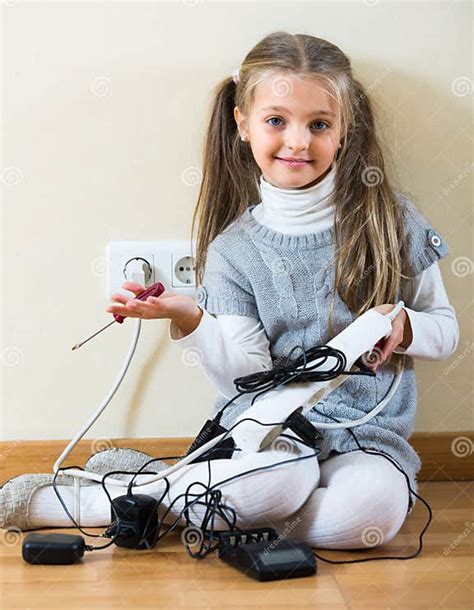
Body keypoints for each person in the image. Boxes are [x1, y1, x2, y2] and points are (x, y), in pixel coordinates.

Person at [1, 31, 459, 550]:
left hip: (368, 440)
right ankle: (79, 502)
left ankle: (149, 487)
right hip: (275, 432)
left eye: (319, 124)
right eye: (275, 121)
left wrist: (404, 328)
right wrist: (190, 320)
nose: (298, 141)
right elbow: (247, 374)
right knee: (280, 483)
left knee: (366, 517)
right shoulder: (233, 251)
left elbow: (445, 332)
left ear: (344, 129)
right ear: (242, 125)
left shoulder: (389, 220)